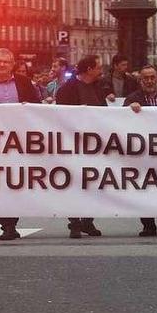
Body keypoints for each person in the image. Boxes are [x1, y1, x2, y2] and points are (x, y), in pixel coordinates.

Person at [0, 48, 41, 240]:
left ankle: (12, 222)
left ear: (12, 64)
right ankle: (7, 224)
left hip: (19, 141)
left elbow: (37, 106)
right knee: (0, 182)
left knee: (16, 182)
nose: (1, 65)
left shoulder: (24, 83)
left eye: (6, 62)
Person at [56, 55, 109, 239]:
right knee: (73, 184)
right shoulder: (67, 89)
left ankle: (88, 220)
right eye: (98, 67)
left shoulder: (98, 87)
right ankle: (75, 223)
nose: (101, 70)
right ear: (89, 69)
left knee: (94, 183)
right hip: (73, 144)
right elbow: (61, 116)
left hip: (94, 145)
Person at [124, 65, 157, 237]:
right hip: (142, 155)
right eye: (145, 78)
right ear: (140, 81)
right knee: (145, 189)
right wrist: (128, 111)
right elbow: (119, 122)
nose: (149, 81)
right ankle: (148, 225)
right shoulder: (132, 99)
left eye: (152, 77)